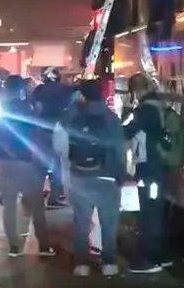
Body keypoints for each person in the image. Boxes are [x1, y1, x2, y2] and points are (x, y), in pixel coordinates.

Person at [54, 79, 127, 276]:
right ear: (102, 94)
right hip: (107, 176)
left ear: (82, 94)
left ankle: (81, 265)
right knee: (109, 223)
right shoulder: (112, 118)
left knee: (81, 222)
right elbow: (120, 149)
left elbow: (58, 144)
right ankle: (109, 263)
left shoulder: (70, 116)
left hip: (80, 176)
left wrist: (68, 166)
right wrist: (121, 174)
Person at [0, 75, 53, 257]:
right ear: (21, 89)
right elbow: (36, 136)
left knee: (9, 206)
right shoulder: (29, 108)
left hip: (5, 162)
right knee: (36, 205)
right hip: (26, 161)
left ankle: (13, 247)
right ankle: (43, 246)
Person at [122, 73, 169, 273]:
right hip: (154, 165)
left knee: (150, 211)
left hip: (149, 166)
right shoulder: (156, 105)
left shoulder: (145, 110)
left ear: (135, 90)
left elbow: (125, 130)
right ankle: (158, 254)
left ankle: (151, 259)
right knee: (153, 209)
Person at [33, 66, 74, 208]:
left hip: (42, 130)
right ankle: (54, 197)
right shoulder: (66, 90)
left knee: (40, 164)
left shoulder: (39, 91)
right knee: (58, 164)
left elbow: (37, 109)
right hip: (60, 129)